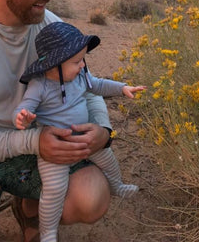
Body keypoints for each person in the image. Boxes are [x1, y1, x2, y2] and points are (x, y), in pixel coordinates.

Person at [0, 0, 115, 242]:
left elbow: (86, 87)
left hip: (40, 150)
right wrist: (32, 142)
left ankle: (28, 207)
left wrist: (103, 131)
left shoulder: (49, 26)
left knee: (90, 199)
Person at [13, 21, 145, 242]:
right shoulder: (40, 85)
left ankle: (117, 186)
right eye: (77, 61)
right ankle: (47, 233)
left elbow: (98, 85)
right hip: (55, 149)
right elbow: (24, 107)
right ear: (54, 65)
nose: (83, 65)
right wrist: (22, 117)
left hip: (85, 141)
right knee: (54, 191)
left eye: (83, 59)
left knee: (108, 159)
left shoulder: (80, 76)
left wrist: (122, 88)